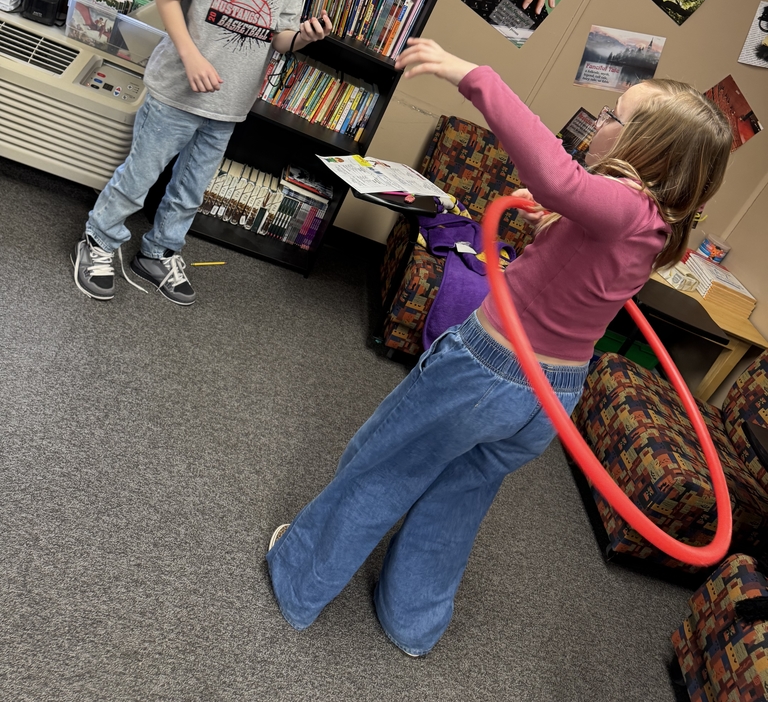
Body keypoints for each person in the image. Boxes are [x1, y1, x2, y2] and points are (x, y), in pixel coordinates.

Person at [266, 38, 732, 656]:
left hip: (488, 372)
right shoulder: (655, 224)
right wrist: (560, 220)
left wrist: (473, 74)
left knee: (386, 464)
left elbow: (556, 175)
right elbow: (582, 234)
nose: (600, 120)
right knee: (460, 496)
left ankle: (299, 580)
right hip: (551, 397)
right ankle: (412, 621)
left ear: (645, 151)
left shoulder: (620, 207)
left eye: (615, 115)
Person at [71, 0, 330, 305]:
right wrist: (190, 55)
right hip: (175, 92)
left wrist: (302, 39)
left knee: (191, 189)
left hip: (229, 105)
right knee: (141, 175)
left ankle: (159, 252)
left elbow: (280, 36)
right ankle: (99, 239)